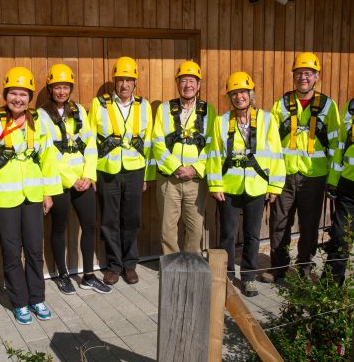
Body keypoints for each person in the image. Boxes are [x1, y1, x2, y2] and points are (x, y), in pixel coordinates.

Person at [0, 66, 61, 325]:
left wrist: (48, 193)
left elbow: (49, 158)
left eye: (23, 94)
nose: (18, 99)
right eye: (13, 94)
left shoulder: (38, 120)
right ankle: (19, 302)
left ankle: (37, 297)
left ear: (29, 98)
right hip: (5, 200)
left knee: (35, 251)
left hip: (33, 196)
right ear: (6, 95)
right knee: (12, 252)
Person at [262, 53, 340, 283]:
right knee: (279, 223)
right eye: (299, 73)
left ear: (316, 76)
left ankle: (304, 268)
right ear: (293, 76)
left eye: (308, 73)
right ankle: (278, 268)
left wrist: (332, 179)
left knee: (309, 225)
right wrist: (271, 177)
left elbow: (336, 144)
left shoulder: (328, 106)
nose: (303, 77)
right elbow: (271, 143)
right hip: (285, 174)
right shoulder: (282, 104)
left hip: (315, 176)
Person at [206, 72, 285, 296]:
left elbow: (276, 155)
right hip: (229, 187)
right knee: (228, 235)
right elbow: (214, 155)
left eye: (243, 92)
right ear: (229, 97)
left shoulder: (267, 119)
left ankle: (248, 277)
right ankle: (228, 275)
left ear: (251, 94)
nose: (239, 97)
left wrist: (274, 187)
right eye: (234, 93)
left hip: (257, 186)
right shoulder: (221, 121)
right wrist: (215, 185)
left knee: (252, 234)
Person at [41, 64, 111, 294]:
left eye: (65, 87)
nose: (61, 91)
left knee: (90, 226)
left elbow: (90, 144)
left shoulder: (79, 110)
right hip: (61, 183)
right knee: (59, 228)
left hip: (83, 180)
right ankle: (62, 275)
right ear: (50, 89)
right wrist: (70, 179)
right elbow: (48, 153)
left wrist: (88, 175)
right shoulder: (41, 116)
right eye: (57, 87)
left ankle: (89, 275)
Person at [89, 56, 155, 285]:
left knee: (132, 219)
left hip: (135, 171)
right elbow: (90, 141)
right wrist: (91, 173)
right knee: (109, 220)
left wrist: (147, 176)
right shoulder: (99, 104)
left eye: (129, 80)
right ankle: (114, 265)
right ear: (114, 81)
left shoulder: (144, 105)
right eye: (120, 80)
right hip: (107, 171)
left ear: (135, 82)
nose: (124, 84)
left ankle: (130, 265)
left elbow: (148, 143)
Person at [152, 61, 216, 255]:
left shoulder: (208, 110)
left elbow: (212, 145)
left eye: (192, 80)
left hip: (196, 180)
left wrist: (194, 169)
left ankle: (192, 261)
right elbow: (157, 142)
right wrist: (176, 167)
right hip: (169, 179)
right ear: (177, 83)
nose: (188, 85)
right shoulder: (164, 109)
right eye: (183, 80)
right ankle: (171, 264)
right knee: (168, 228)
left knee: (195, 226)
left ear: (198, 85)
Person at [324, 98, 354, 284]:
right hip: (348, 188)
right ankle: (329, 289)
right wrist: (333, 182)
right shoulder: (352, 106)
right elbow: (340, 148)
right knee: (340, 238)